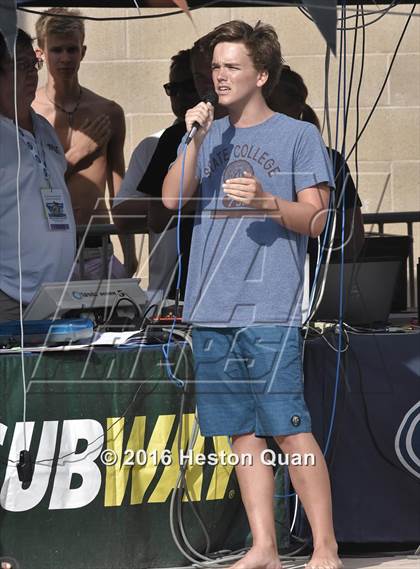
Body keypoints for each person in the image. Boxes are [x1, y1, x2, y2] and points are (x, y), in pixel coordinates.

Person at [163, 20, 342, 569]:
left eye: (231, 66)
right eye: (215, 67)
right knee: (241, 433)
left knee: (289, 430)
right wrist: (192, 138)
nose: (218, 76)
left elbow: (318, 220)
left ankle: (326, 549)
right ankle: (263, 546)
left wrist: (268, 203)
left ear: (261, 74)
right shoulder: (204, 133)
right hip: (211, 307)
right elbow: (172, 200)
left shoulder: (297, 135)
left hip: (269, 306)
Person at [32, 7, 127, 279]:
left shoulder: (108, 111)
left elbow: (118, 189)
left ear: (83, 51)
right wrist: (79, 151)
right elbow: (28, 184)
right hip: (45, 247)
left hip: (96, 245)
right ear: (41, 52)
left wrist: (130, 254)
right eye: (56, 50)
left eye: (71, 50)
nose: (64, 58)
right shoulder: (28, 113)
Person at [0, 29, 76, 322]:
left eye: (34, 64)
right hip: (8, 294)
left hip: (54, 295)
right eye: (20, 65)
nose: (32, 74)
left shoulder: (44, 127)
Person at [112, 49, 200, 300]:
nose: (181, 96)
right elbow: (121, 214)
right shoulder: (155, 144)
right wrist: (181, 200)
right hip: (167, 292)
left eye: (189, 86)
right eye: (173, 89)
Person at [268, 65, 365, 271]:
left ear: (295, 109)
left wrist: (332, 277)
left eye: (271, 108)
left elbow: (353, 231)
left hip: (312, 271)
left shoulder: (330, 159)